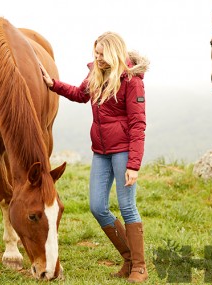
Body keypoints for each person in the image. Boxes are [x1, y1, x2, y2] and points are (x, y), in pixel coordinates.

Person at [40, 31, 149, 283]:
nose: (97, 58)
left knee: (127, 207)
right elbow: (80, 94)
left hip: (123, 152)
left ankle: (139, 267)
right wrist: (53, 84)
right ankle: (129, 258)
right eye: (96, 53)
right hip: (100, 151)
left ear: (113, 52)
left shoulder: (132, 81)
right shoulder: (96, 75)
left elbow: (138, 124)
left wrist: (133, 165)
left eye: (102, 54)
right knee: (97, 207)